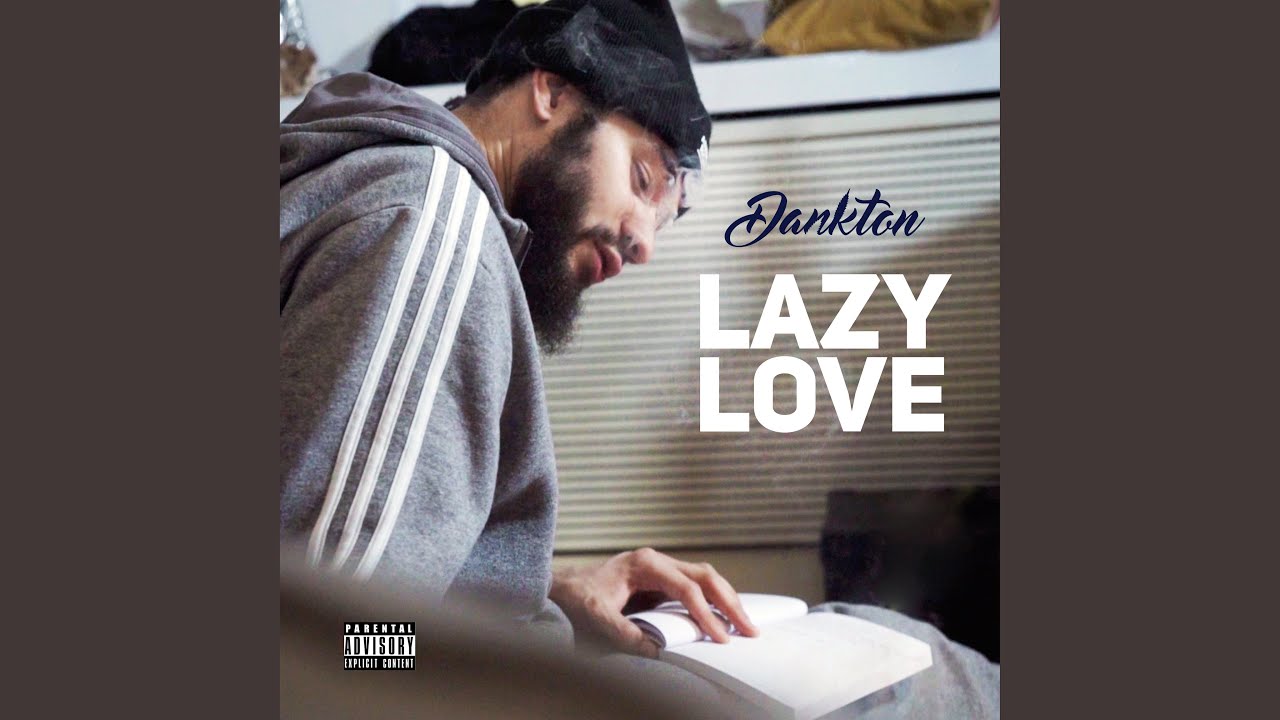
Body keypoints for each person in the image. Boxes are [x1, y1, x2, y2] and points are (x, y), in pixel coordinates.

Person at [280, 1, 998, 716]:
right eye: (644, 179)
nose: (643, 245)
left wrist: (552, 595)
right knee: (917, 682)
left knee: (899, 653)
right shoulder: (436, 233)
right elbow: (334, 650)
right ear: (551, 91)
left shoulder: (380, 188)